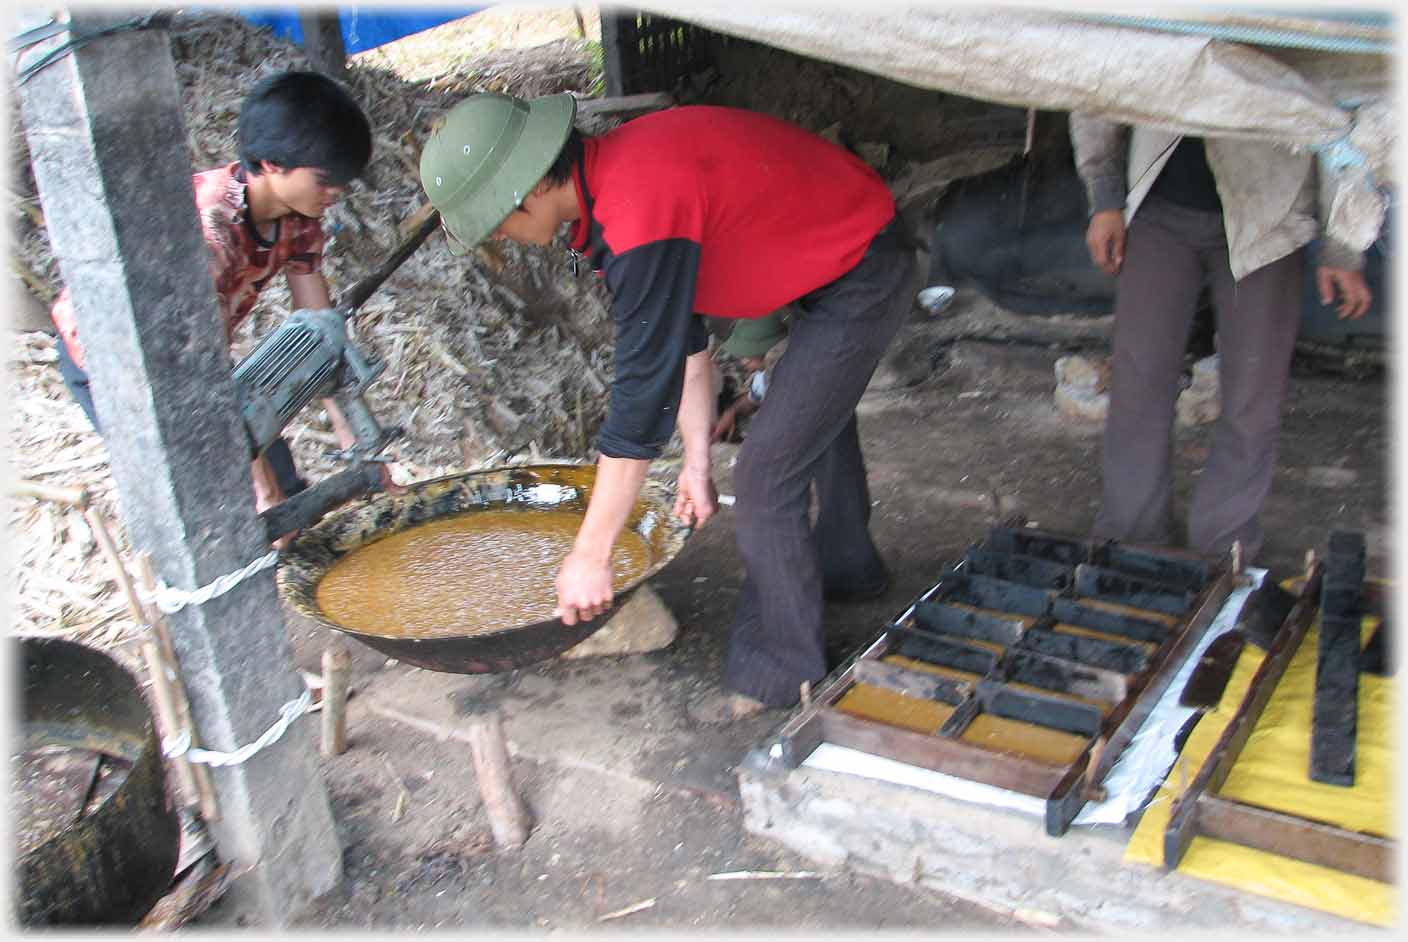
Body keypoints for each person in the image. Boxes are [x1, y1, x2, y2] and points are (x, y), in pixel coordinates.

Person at [420, 92, 917, 717]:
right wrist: (697, 462)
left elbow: (638, 406)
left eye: (496, 221)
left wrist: (589, 555)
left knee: (765, 476)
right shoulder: (609, 188)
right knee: (808, 409)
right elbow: (682, 341)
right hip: (835, 246)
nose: (501, 236)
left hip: (865, 261)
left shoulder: (635, 208)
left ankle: (782, 669)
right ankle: (846, 568)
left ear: (528, 192)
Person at [49, 70, 375, 530]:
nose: (336, 193)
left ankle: (285, 544)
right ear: (271, 163)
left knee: (267, 453)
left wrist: (358, 443)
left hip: (194, 353)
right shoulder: (207, 236)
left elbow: (319, 329)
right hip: (113, 357)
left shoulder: (299, 213)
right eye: (326, 180)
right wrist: (265, 496)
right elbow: (208, 386)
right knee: (204, 481)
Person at [1069, 116, 1373, 563]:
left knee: (1253, 390)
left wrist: (1342, 243)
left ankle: (1222, 546)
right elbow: (1103, 78)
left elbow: (1344, 111)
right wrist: (1105, 197)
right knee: (1139, 378)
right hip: (1158, 205)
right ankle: (1131, 534)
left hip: (1270, 215)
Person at [710, 308, 788, 444]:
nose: (743, 361)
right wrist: (732, 412)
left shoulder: (787, 378)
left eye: (751, 355)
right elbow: (754, 397)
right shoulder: (762, 376)